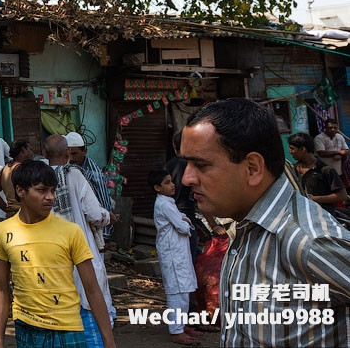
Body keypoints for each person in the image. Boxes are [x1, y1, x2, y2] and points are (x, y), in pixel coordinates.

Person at [180, 97, 350, 347]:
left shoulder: (309, 242)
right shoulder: (244, 224)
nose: (187, 178)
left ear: (252, 169)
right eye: (187, 163)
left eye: (201, 165)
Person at [0, 160, 116, 348]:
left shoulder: (70, 231)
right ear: (20, 191)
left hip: (68, 328)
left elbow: (92, 289)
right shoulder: (1, 232)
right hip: (26, 327)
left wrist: (109, 341)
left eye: (52, 190)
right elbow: (0, 288)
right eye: (41, 190)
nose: (50, 197)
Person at [45, 134, 115, 346]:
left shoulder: (41, 177)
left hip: (51, 258)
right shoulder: (74, 174)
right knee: (91, 303)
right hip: (81, 253)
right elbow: (94, 213)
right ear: (68, 153)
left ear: (46, 153)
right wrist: (107, 216)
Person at [148, 170, 199, 346]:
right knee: (177, 291)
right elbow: (183, 227)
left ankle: (181, 325)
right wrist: (184, 222)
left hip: (178, 252)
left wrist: (184, 221)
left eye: (171, 181)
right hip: (173, 254)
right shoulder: (164, 204)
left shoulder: (168, 202)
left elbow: (184, 221)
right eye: (167, 182)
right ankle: (176, 330)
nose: (172, 185)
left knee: (183, 289)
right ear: (157, 187)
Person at [65, 132, 117, 240]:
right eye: (68, 154)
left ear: (84, 151)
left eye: (74, 154)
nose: (71, 158)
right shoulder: (67, 167)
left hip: (93, 227)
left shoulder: (93, 172)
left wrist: (105, 236)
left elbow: (104, 205)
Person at [286, 132, 347, 215]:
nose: (290, 152)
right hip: (302, 215)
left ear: (302, 149)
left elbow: (342, 196)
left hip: (323, 216)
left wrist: (313, 199)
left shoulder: (326, 170)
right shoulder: (293, 170)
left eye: (292, 148)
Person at [0, 140, 32, 218]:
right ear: (23, 150)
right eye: (29, 149)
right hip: (24, 215)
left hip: (11, 215)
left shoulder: (5, 169)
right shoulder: (21, 169)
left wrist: (7, 209)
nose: (31, 153)